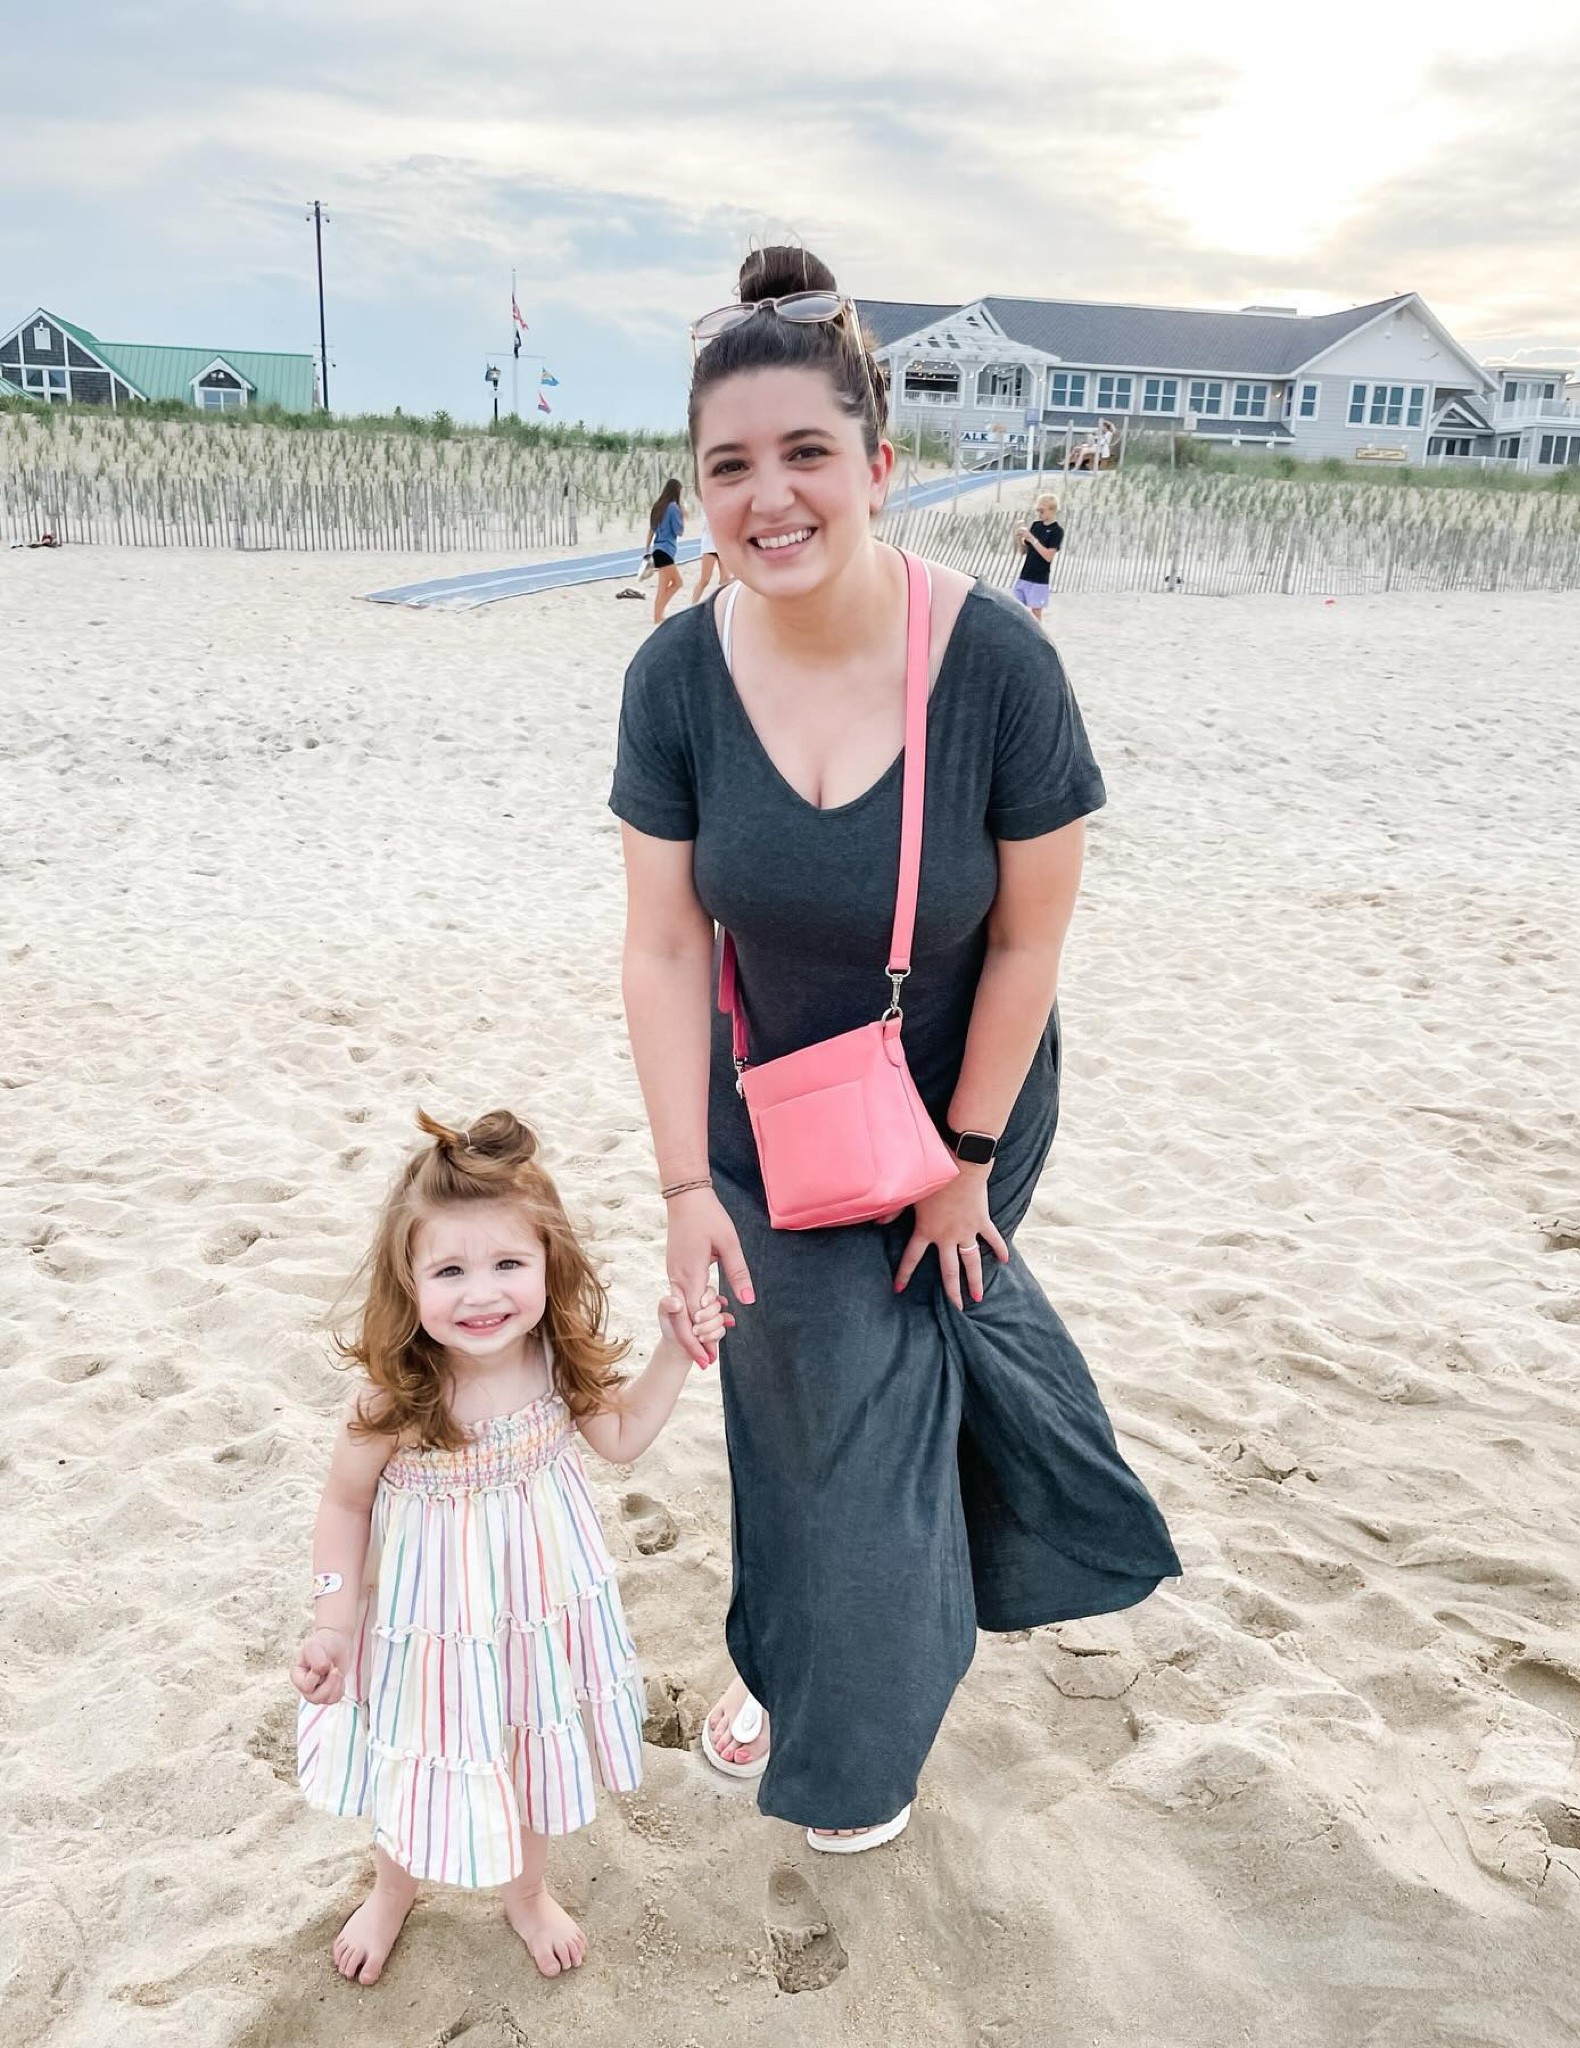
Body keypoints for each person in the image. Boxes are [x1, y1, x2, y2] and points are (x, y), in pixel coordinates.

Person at [610, 245, 1181, 1855]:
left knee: (867, 1421)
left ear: (879, 465)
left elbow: (1025, 937)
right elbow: (662, 945)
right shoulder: (671, 678)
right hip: (760, 1117)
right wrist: (676, 1186)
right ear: (696, 487)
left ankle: (845, 1738)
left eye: (804, 454)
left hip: (962, 1094)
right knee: (799, 1413)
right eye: (729, 465)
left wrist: (965, 1170)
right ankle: (794, 1656)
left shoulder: (998, 669)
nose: (766, 496)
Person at [290, 1108, 729, 1986]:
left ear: (547, 1266)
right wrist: (334, 1619)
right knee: (415, 1752)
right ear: (407, 1282)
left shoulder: (557, 1364)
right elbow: (342, 1503)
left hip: (536, 1608)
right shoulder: (397, 1396)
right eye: (448, 1269)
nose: (481, 1293)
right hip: (428, 1621)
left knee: (523, 1742)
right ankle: (392, 1887)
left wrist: (677, 1355)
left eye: (507, 1264)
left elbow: (621, 1437)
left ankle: (525, 1893)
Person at [1012, 492, 1063, 623]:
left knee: (1036, 612)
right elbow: (1023, 551)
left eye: (1042, 510)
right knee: (1016, 608)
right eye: (1038, 510)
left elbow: (1048, 556)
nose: (1039, 514)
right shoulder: (1036, 525)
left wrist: (1032, 538)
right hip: (1025, 574)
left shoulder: (1057, 531)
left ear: (1052, 510)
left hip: (1039, 578)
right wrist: (1019, 538)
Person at [644, 479, 686, 626]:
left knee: (663, 586)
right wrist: (682, 516)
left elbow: (651, 530)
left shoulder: (658, 507)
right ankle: (658, 612)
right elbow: (679, 531)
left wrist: (647, 550)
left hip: (657, 550)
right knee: (677, 583)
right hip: (667, 550)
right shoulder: (674, 508)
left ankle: (658, 615)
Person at [690, 515, 723, 604]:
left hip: (722, 545)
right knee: (705, 579)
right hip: (709, 546)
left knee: (725, 580)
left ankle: (722, 605)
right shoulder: (708, 506)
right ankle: (693, 605)